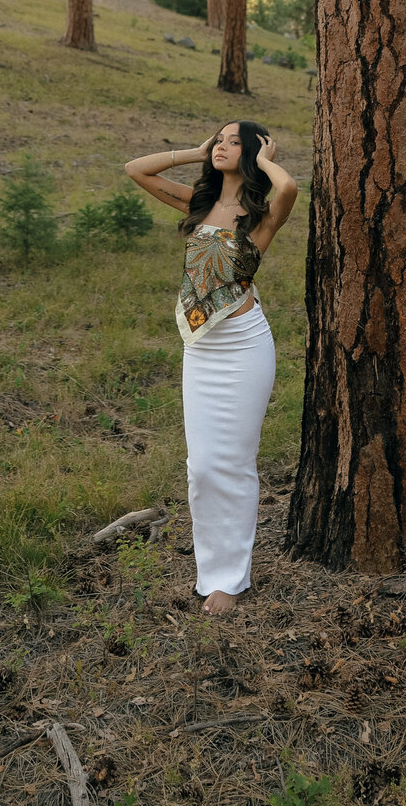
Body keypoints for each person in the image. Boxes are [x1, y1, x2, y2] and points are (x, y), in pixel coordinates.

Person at [124, 122, 298, 615]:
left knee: (233, 464)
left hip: (243, 346)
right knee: (201, 468)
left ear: (256, 152)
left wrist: (264, 160)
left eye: (233, 141)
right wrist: (195, 151)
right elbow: (135, 169)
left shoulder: (262, 213)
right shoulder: (199, 205)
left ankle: (230, 581)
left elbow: (287, 185)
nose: (222, 145)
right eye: (217, 139)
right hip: (200, 347)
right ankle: (209, 572)